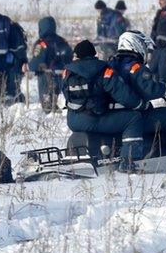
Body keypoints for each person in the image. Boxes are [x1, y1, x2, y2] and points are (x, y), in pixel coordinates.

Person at [107, 30, 166, 164]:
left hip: (113, 115)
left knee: (152, 109)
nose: (146, 50)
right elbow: (150, 89)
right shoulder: (135, 67)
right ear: (135, 44)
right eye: (144, 45)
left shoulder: (111, 64)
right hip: (133, 116)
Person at [62, 40, 148, 170]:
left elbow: (65, 92)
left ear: (77, 56)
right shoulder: (104, 69)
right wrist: (140, 104)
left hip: (73, 121)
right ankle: (129, 161)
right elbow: (123, 94)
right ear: (93, 54)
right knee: (134, 118)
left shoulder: (67, 72)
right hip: (93, 119)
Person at [26, 16, 72, 113]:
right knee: (58, 99)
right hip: (63, 76)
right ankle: (58, 118)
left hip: (47, 77)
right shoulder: (62, 41)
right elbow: (70, 57)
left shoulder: (42, 44)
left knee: (47, 105)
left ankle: (51, 121)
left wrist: (28, 67)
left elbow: (37, 61)